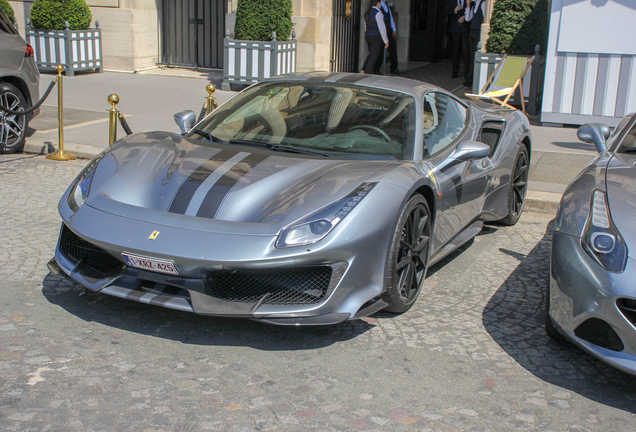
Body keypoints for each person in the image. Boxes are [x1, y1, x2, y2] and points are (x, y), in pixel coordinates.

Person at [361, 0, 389, 75]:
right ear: (378, 3)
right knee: (374, 57)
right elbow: (382, 28)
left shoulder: (367, 13)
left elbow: (365, 26)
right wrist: (386, 40)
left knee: (372, 54)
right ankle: (367, 73)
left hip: (368, 36)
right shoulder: (378, 13)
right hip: (376, 37)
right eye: (380, 2)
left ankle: (363, 69)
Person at [376, 0, 404, 76]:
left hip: (388, 29)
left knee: (393, 48)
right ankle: (376, 69)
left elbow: (390, 17)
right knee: (380, 49)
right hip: (381, 30)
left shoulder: (386, 4)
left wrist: (394, 29)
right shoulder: (378, 3)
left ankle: (394, 68)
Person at [447, 0, 470, 79]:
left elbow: (471, 11)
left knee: (465, 50)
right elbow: (448, 13)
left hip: (465, 29)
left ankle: (467, 73)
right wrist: (455, 11)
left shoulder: (468, 1)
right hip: (455, 29)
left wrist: (465, 16)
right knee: (455, 50)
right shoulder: (452, 1)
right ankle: (455, 72)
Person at [465, 0, 485, 87]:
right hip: (472, 32)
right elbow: (467, 18)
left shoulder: (483, 3)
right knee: (471, 55)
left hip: (478, 32)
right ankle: (469, 78)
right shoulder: (474, 5)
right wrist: (468, 6)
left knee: (475, 55)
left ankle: (471, 80)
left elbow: (485, 17)